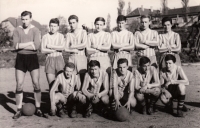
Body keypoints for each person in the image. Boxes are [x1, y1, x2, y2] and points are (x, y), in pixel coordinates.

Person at [12, 11, 43, 119]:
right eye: (23, 19)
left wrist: (21, 45)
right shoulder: (17, 30)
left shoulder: (35, 30)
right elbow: (15, 46)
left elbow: (36, 47)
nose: (24, 21)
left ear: (31, 19)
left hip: (32, 58)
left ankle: (38, 108)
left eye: (26, 19)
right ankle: (18, 110)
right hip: (20, 58)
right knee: (19, 84)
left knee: (36, 83)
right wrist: (30, 43)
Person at [41, 18, 65, 89]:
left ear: (58, 27)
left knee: (62, 83)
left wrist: (50, 46)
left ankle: (62, 99)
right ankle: (52, 100)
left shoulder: (61, 36)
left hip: (59, 59)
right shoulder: (45, 36)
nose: (53, 28)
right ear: (49, 26)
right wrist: (53, 50)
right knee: (51, 85)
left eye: (55, 26)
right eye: (51, 26)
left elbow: (62, 47)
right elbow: (42, 50)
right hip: (49, 59)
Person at [65, 15, 87, 82]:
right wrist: (73, 49)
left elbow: (84, 45)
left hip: (81, 57)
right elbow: (65, 48)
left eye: (73, 22)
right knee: (72, 78)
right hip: (72, 57)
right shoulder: (69, 34)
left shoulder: (83, 32)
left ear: (77, 22)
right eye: (70, 23)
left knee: (82, 77)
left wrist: (73, 46)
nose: (72, 25)